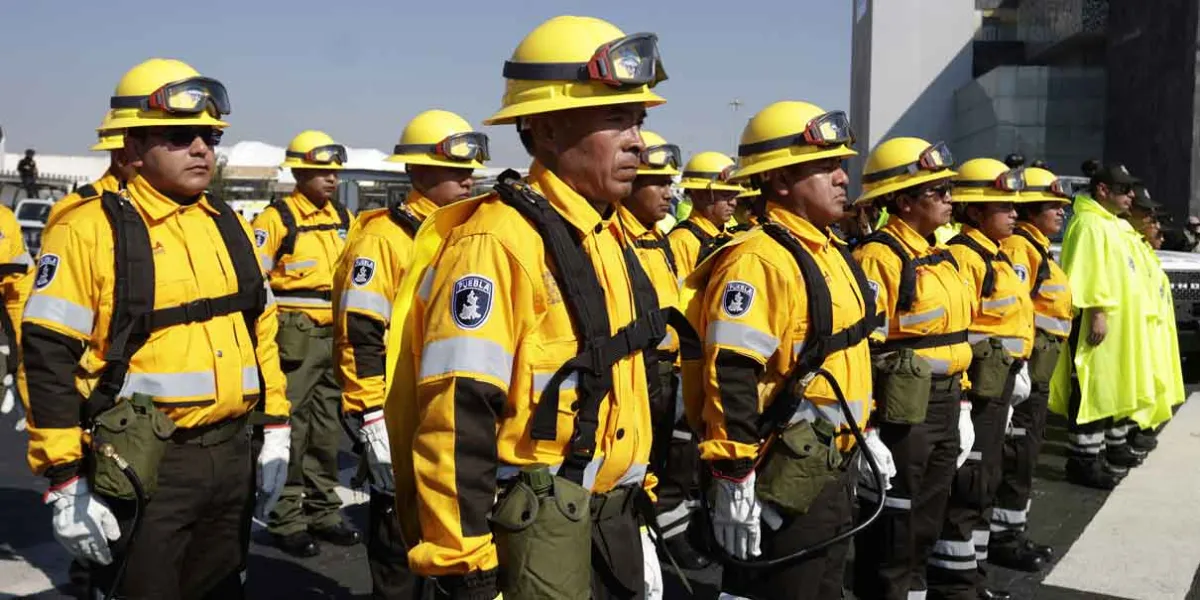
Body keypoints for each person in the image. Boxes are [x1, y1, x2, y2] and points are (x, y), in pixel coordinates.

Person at [402, 15, 670, 599]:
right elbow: (457, 414)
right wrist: (466, 566)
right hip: (539, 535)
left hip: (609, 521)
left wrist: (635, 497)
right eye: (615, 119)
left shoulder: (603, 234)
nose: (638, 142)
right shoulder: (497, 244)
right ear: (546, 131)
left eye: (639, 120)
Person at [22, 57, 289, 599]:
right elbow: (48, 356)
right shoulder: (86, 230)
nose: (202, 149)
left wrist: (276, 424)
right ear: (130, 148)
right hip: (146, 464)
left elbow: (260, 327)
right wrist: (65, 477)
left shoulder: (230, 225)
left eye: (209, 136)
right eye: (180, 136)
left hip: (231, 455)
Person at [685, 100, 877, 600]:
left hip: (830, 465)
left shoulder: (829, 250)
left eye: (841, 165)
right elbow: (731, 373)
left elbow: (846, 356)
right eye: (825, 167)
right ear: (780, 181)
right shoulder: (759, 261)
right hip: (782, 475)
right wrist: (733, 472)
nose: (842, 177)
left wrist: (865, 430)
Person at [332, 109, 485, 599]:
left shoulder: (459, 235)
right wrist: (370, 414)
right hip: (395, 412)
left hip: (443, 409)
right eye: (454, 171)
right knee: (397, 538)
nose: (468, 180)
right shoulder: (383, 239)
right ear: (417, 172)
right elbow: (360, 332)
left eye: (469, 170)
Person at [850, 137, 974, 600]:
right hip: (903, 411)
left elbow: (955, 336)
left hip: (942, 402)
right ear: (903, 202)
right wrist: (868, 425)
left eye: (946, 189)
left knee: (926, 518)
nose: (948, 199)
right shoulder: (881, 256)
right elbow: (864, 347)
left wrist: (961, 400)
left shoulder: (938, 253)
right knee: (895, 522)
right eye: (936, 192)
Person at [927, 158, 1033, 600]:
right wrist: (967, 401)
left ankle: (975, 574)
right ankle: (954, 583)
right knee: (970, 483)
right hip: (979, 389)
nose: (1014, 213)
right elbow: (962, 329)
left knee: (987, 480)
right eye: (1001, 205)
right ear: (974, 212)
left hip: (1001, 382)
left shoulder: (997, 255)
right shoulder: (966, 259)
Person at [254, 130, 360, 556]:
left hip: (333, 332)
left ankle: (323, 510)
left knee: (326, 427)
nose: (331, 179)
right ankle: (286, 517)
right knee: (290, 429)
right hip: (293, 336)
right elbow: (254, 283)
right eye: (321, 172)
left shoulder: (344, 218)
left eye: (334, 172)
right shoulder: (276, 219)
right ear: (299, 171)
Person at [615, 130, 709, 570]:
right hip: (637, 371)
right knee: (638, 464)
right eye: (659, 183)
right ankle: (641, 543)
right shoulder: (614, 241)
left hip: (668, 369)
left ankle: (664, 536)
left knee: (674, 460)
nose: (670, 194)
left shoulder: (658, 240)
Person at [1049, 163, 1156, 490]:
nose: (1131, 196)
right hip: (1097, 320)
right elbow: (1087, 271)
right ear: (1102, 190)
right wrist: (1096, 310)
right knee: (1089, 385)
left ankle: (1098, 453)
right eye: (1123, 190)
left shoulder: (1107, 223)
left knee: (1105, 385)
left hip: (1113, 323)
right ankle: (1083, 460)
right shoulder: (1090, 224)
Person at [990, 166, 1073, 572]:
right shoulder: (1022, 249)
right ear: (1031, 208)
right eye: (1054, 205)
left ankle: (1011, 531)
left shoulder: (1037, 247)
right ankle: (1004, 537)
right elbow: (1016, 313)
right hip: (1023, 369)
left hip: (1037, 367)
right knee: (1018, 454)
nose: (1061, 212)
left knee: (1026, 451)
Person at [1121, 185, 1184, 450]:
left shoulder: (1140, 247)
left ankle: (1137, 429)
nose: (1153, 223)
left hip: (1149, 329)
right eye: (1147, 215)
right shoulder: (1123, 241)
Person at [667, 151, 742, 274]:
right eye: (726, 194)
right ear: (699, 194)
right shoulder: (681, 242)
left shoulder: (729, 237)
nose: (733, 203)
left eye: (735, 195)